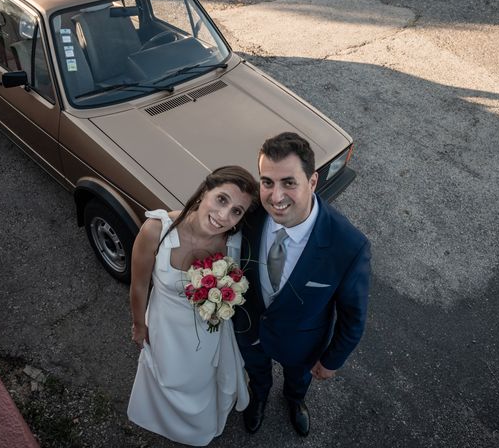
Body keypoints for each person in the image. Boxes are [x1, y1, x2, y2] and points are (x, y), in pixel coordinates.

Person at [233, 132, 371, 437]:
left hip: (302, 344)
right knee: (256, 372)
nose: (275, 196)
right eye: (267, 182)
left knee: (298, 379)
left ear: (312, 182)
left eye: (289, 183)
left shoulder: (348, 246)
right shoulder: (251, 214)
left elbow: (353, 317)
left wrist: (332, 360)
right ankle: (259, 397)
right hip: (250, 326)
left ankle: (295, 401)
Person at [127, 166, 258, 446]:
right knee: (168, 375)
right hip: (165, 328)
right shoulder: (156, 230)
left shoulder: (232, 243)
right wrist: (139, 325)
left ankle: (198, 428)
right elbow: (138, 286)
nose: (224, 216)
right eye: (222, 199)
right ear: (204, 192)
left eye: (236, 211)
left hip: (207, 332)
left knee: (199, 381)